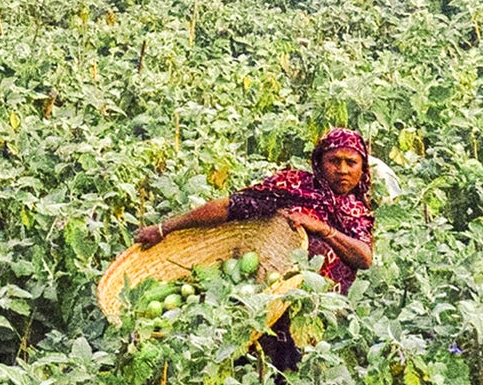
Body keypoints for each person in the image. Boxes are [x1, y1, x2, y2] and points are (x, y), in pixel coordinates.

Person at [136, 128, 377, 368]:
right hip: (263, 298)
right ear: (319, 162)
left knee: (298, 375)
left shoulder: (356, 211)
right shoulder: (293, 186)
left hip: (314, 310)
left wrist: (323, 230)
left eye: (351, 162)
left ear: (362, 167)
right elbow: (230, 207)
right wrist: (165, 228)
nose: (342, 170)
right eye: (334, 161)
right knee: (245, 363)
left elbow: (364, 258)